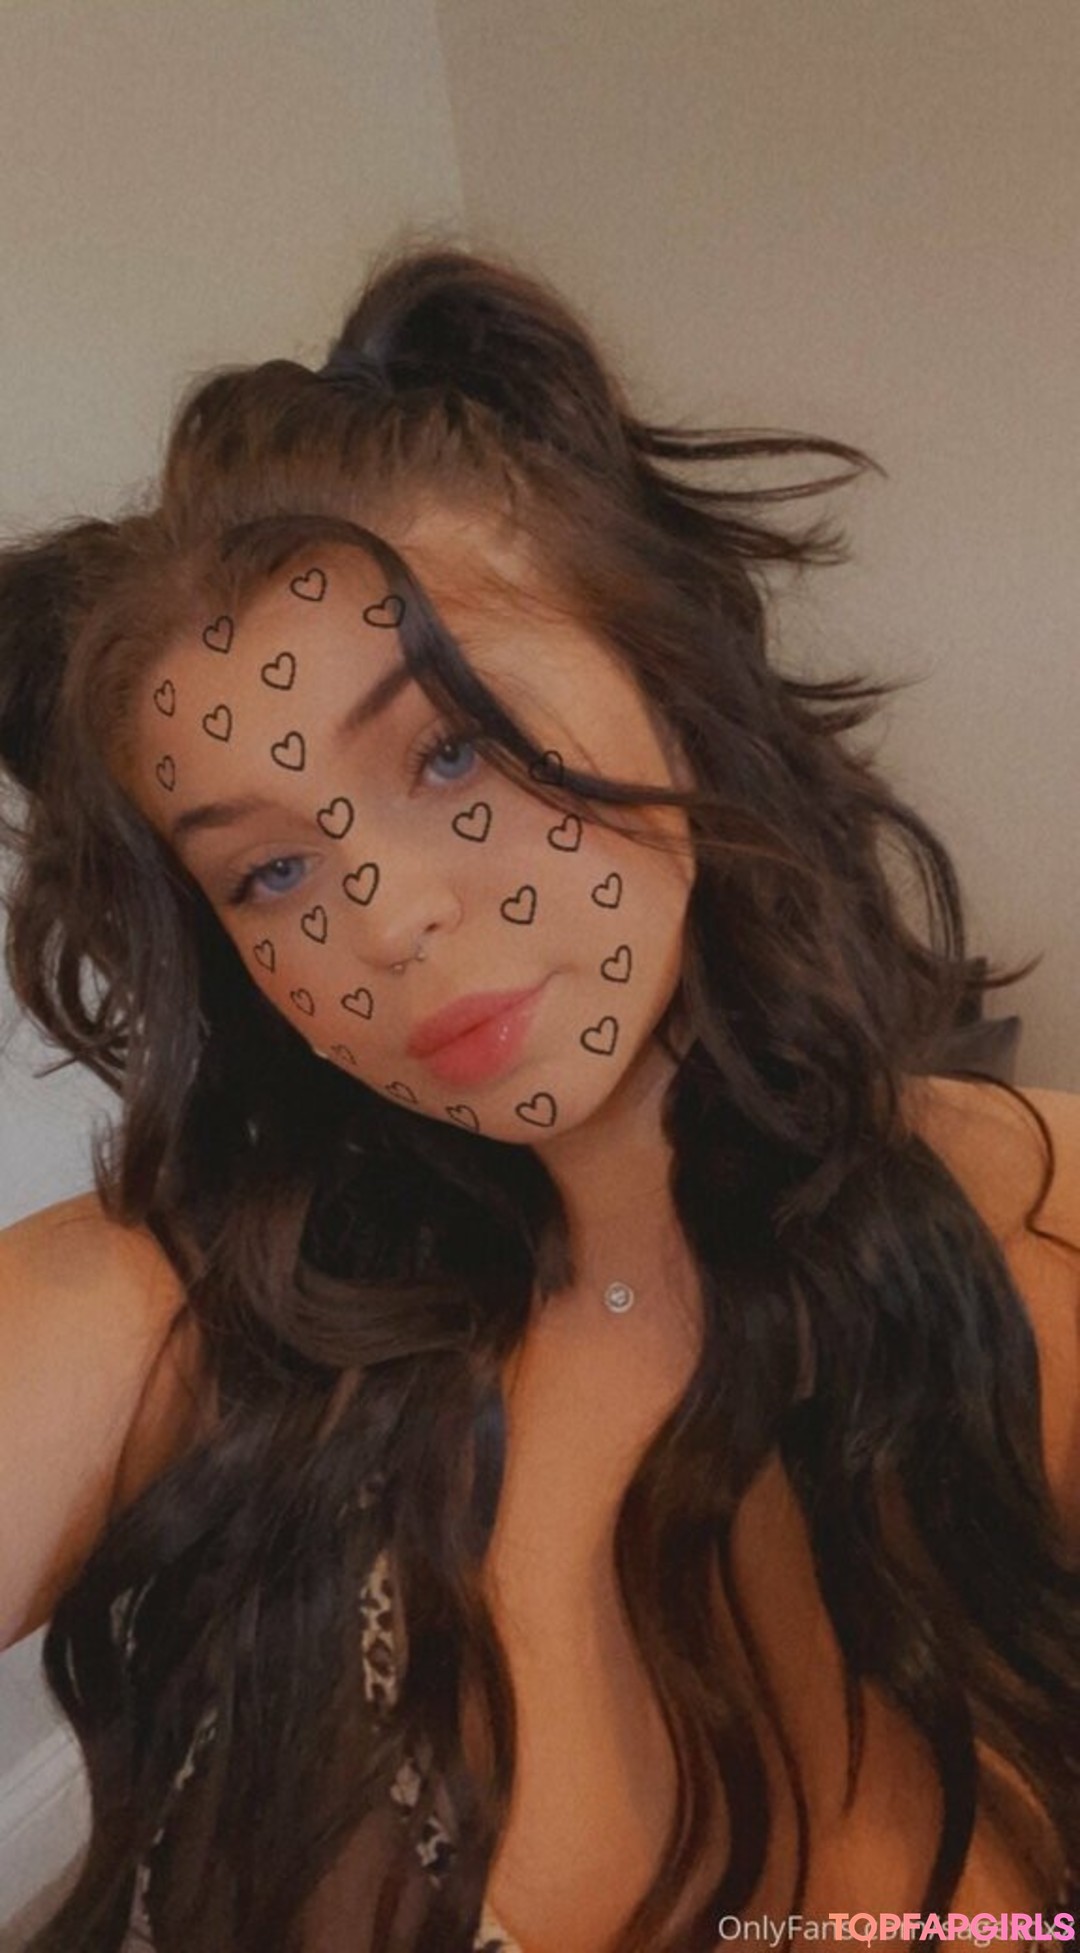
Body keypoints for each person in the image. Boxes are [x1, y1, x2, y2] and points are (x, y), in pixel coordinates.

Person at [0, 237, 1077, 1953]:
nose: (389, 919)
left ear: (669, 676)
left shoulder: (1039, 1236)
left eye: (449, 748)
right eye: (269, 875)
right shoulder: (200, 1307)